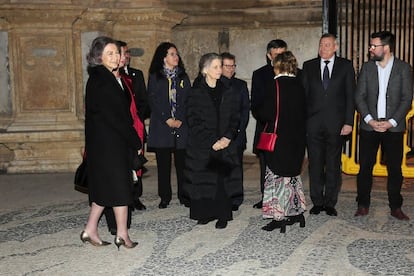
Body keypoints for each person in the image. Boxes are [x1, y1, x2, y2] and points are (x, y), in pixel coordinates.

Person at [81, 36, 140, 250]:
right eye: (110, 53)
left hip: (108, 145)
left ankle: (90, 229)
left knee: (106, 190)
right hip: (110, 146)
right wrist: (135, 140)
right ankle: (122, 235)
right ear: (99, 57)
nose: (116, 57)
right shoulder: (102, 80)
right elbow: (116, 118)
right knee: (120, 190)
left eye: (117, 53)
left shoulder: (108, 77)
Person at [354, 31, 413, 220]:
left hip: (393, 128)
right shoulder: (367, 68)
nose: (370, 49)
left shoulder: (403, 68)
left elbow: (407, 98)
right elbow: (359, 96)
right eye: (370, 46)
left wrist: (391, 122)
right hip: (369, 127)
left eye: (374, 46)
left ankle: (395, 206)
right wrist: (370, 119)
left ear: (386, 48)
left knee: (395, 169)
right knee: (365, 168)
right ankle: (363, 204)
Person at [185, 53, 241, 229]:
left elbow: (235, 117)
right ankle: (205, 213)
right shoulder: (195, 92)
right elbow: (193, 121)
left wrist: (227, 138)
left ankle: (223, 215)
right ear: (205, 69)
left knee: (221, 181)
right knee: (203, 180)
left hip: (224, 144)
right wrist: (211, 141)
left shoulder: (227, 89)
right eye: (216, 67)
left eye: (221, 66)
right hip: (203, 146)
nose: (220, 70)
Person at [302, 33, 355, 217]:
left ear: (335, 47)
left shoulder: (345, 66)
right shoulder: (308, 66)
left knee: (333, 164)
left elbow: (351, 96)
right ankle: (317, 201)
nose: (323, 48)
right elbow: (304, 97)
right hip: (313, 125)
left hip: (336, 125)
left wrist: (349, 122)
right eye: (321, 45)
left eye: (327, 45)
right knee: (315, 164)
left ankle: (330, 202)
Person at [255, 51, 307, 232]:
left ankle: (278, 218)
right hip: (298, 139)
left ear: (278, 66)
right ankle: (297, 213)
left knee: (276, 177)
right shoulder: (300, 85)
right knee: (292, 176)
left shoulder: (274, 85)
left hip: (278, 140)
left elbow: (265, 113)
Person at [103, 40, 147, 236]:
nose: (121, 58)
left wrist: (136, 139)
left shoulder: (128, 80)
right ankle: (113, 224)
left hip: (129, 133)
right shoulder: (102, 81)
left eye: (120, 54)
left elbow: (133, 110)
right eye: (115, 54)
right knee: (113, 181)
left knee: (127, 178)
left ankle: (122, 223)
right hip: (111, 137)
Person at [147, 42, 191, 209]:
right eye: (172, 54)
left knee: (183, 164)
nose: (176, 57)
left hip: (181, 125)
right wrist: (167, 118)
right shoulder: (155, 76)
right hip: (162, 126)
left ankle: (184, 195)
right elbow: (153, 100)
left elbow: (188, 99)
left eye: (176, 53)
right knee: (163, 165)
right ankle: (164, 196)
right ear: (164, 57)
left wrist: (180, 118)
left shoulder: (183, 77)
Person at [251, 39, 287, 209]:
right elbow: (255, 105)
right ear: (268, 56)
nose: (280, 59)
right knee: (266, 166)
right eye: (276, 55)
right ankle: (267, 197)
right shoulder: (259, 74)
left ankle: (285, 197)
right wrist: (271, 121)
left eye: (283, 54)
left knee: (287, 165)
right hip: (267, 129)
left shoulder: (298, 74)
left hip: (288, 130)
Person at [119, 40, 148, 210]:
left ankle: (136, 197)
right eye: (124, 52)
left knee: (137, 161)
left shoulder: (137, 74)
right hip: (123, 127)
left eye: (127, 52)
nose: (127, 56)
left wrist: (138, 117)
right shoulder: (114, 77)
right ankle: (124, 197)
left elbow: (144, 100)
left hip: (136, 125)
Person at [220, 52, 250, 211]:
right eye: (228, 66)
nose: (231, 69)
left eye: (233, 66)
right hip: (217, 136)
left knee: (235, 168)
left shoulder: (240, 85)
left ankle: (235, 199)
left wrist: (237, 131)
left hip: (236, 136)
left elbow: (245, 111)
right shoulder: (214, 83)